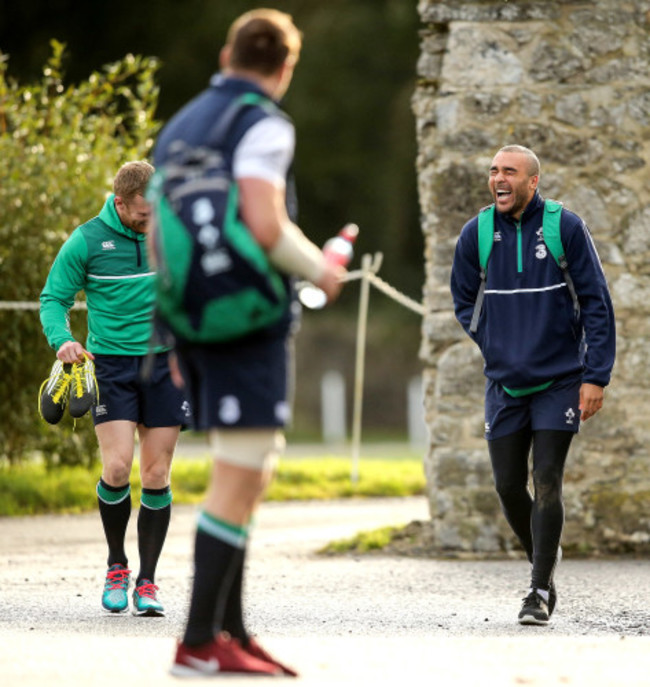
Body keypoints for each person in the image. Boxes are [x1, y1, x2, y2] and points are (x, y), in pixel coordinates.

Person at [152, 8, 344, 677]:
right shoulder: (261, 122)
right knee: (243, 471)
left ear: (226, 53)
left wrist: (169, 327)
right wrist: (320, 268)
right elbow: (265, 221)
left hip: (190, 318)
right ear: (284, 67)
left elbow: (159, 234)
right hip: (247, 316)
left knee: (245, 466)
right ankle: (199, 639)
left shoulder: (179, 123)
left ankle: (232, 630)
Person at [450, 145, 616, 625]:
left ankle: (538, 590)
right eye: (493, 171)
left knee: (546, 479)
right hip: (503, 383)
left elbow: (597, 303)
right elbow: (463, 297)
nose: (498, 179)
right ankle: (545, 557)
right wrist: (491, 338)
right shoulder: (476, 233)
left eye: (510, 172)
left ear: (533, 182)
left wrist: (595, 376)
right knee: (507, 485)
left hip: (560, 380)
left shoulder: (565, 227)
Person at [40, 161, 190, 617]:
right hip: (110, 367)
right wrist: (62, 340)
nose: (152, 224)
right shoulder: (86, 241)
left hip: (166, 364)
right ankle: (116, 566)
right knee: (119, 467)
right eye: (143, 217)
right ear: (120, 203)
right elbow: (53, 298)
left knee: (158, 475)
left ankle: (147, 582)